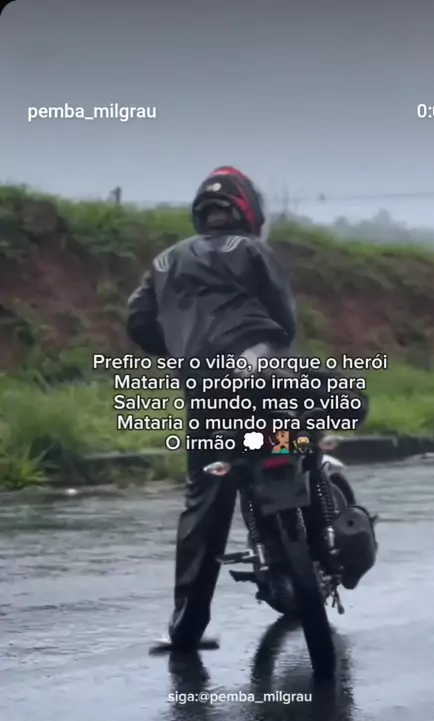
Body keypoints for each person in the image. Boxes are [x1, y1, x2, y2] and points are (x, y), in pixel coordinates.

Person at [126, 166, 298, 651]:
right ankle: (301, 542)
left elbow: (137, 320)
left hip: (205, 388)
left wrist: (180, 350)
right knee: (291, 440)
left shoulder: (165, 261)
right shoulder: (254, 250)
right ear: (247, 210)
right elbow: (284, 318)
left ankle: (186, 629)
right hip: (261, 371)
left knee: (205, 500)